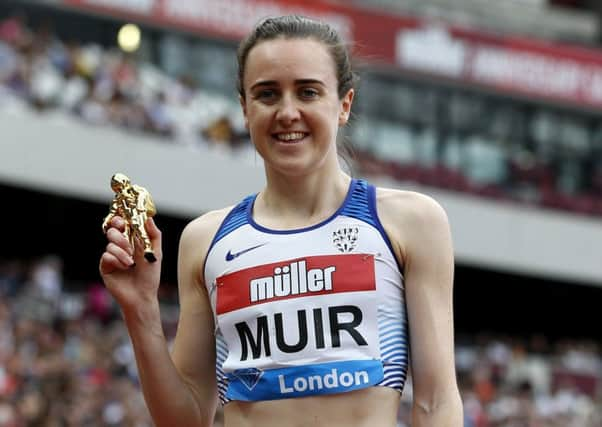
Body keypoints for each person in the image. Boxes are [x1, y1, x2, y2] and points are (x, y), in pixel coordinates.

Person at [99, 15, 463, 427]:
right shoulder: (206, 240)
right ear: (244, 108)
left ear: (344, 104)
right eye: (267, 94)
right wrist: (141, 308)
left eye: (308, 92)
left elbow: (436, 404)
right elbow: (185, 420)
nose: (288, 112)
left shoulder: (410, 222)